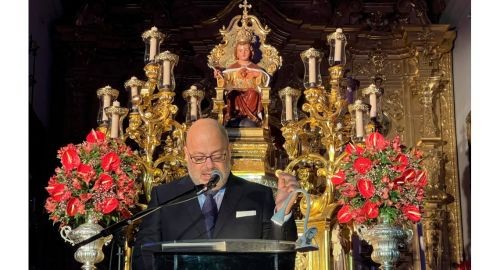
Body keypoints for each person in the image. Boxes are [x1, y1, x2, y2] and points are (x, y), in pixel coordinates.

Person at [132, 118, 299, 270]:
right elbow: (143, 258)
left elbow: (279, 259)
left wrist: (281, 213)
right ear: (186, 155)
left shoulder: (258, 195)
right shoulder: (165, 197)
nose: (209, 166)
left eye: (217, 156)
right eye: (199, 158)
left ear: (229, 151)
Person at [214, 38, 270, 127]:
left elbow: (264, 81)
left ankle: (251, 117)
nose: (243, 53)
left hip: (251, 96)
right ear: (236, 53)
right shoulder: (232, 68)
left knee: (253, 93)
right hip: (236, 95)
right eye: (240, 50)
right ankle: (235, 116)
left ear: (251, 52)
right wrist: (219, 75)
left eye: (246, 50)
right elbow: (225, 80)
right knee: (233, 94)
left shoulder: (256, 68)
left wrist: (258, 74)